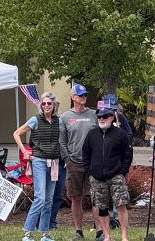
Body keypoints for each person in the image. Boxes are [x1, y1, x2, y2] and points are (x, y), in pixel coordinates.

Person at [15, 91, 63, 241]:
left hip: (54, 162)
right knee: (40, 198)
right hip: (39, 161)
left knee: (49, 200)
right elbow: (16, 133)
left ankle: (45, 234)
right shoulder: (35, 120)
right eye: (44, 103)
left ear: (54, 105)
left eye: (49, 103)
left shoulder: (59, 121)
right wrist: (24, 151)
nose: (46, 105)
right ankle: (27, 233)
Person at [82, 107, 133, 241]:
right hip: (97, 178)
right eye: (99, 117)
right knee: (102, 208)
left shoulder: (121, 134)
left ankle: (124, 236)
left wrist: (122, 172)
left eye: (105, 117)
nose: (101, 119)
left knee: (121, 205)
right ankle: (107, 236)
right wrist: (90, 172)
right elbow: (85, 154)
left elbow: (128, 154)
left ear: (112, 118)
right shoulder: (92, 135)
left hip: (116, 176)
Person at [59, 83, 96, 241]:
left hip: (93, 162)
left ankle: (100, 231)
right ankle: (78, 231)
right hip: (74, 162)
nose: (84, 97)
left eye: (85, 95)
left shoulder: (94, 114)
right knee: (76, 197)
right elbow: (61, 141)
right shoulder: (65, 117)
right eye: (81, 95)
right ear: (73, 97)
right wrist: (67, 159)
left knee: (96, 197)